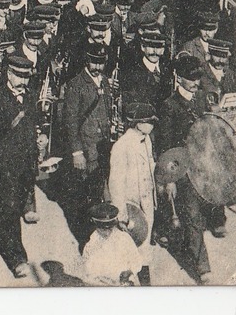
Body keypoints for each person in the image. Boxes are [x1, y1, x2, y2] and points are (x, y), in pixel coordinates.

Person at [0, 53, 41, 278]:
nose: (23, 82)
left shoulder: (30, 96)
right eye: (19, 76)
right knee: (8, 213)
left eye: (26, 77)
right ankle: (16, 259)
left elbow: (32, 128)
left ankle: (15, 250)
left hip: (25, 167)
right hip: (4, 166)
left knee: (15, 206)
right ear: (8, 74)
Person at [154, 53, 212, 283]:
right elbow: (166, 146)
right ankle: (203, 267)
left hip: (202, 168)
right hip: (183, 171)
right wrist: (169, 180)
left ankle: (184, 242)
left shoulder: (201, 100)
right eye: (190, 78)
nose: (195, 82)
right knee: (193, 215)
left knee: (196, 215)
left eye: (197, 77)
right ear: (179, 78)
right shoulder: (170, 106)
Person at [61, 45, 113, 248]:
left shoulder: (106, 82)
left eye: (101, 62)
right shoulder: (76, 84)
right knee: (86, 197)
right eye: (94, 61)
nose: (97, 66)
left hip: (103, 149)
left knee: (101, 192)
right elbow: (70, 122)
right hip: (87, 149)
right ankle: (87, 240)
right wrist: (76, 152)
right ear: (86, 61)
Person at [108, 102, 158, 281]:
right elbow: (116, 182)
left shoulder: (147, 140)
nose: (152, 125)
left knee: (144, 247)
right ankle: (124, 282)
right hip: (131, 207)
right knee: (128, 248)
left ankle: (146, 284)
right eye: (148, 121)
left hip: (146, 202)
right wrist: (120, 212)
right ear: (137, 123)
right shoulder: (122, 146)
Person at [81, 202, 142, 286]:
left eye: (110, 229)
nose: (106, 233)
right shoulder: (91, 244)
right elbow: (89, 272)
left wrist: (131, 271)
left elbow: (136, 259)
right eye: (102, 229)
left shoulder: (124, 238)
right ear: (95, 225)